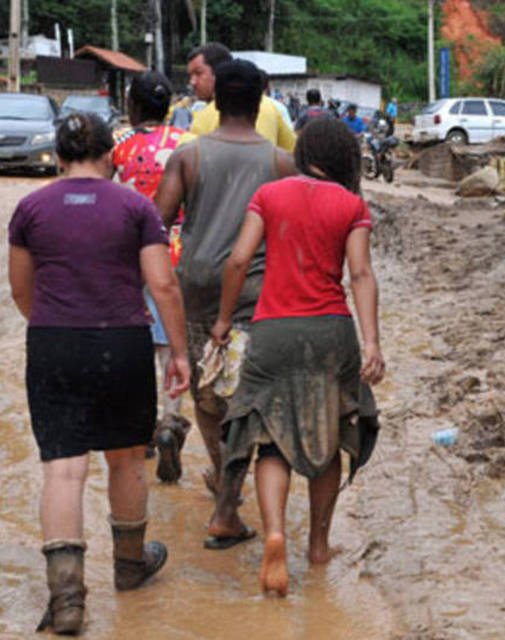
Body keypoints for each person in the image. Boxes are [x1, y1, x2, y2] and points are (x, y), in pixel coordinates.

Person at [8, 113, 190, 634]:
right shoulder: (135, 206)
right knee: (128, 459)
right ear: (111, 156)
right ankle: (130, 567)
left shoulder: (30, 208)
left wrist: (55, 330)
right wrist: (178, 352)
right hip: (123, 343)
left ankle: (67, 601)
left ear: (59, 157)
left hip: (54, 342)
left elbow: (22, 289)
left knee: (63, 470)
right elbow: (164, 286)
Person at [211, 116, 385, 596]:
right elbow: (362, 275)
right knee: (328, 435)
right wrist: (371, 342)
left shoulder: (269, 195)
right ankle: (319, 547)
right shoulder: (352, 205)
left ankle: (273, 534)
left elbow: (239, 259)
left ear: (303, 151)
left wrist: (224, 320)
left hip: (272, 330)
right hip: (331, 331)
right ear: (344, 159)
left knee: (270, 438)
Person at [155, 59, 298, 549]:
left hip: (195, 288)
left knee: (207, 395)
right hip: (257, 294)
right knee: (250, 398)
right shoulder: (281, 163)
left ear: (216, 101)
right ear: (261, 101)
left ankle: (224, 484)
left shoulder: (189, 157)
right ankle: (227, 505)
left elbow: (158, 222)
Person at [113, 71, 192, 483]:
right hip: (176, 250)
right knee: (171, 344)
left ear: (133, 105)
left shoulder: (119, 145)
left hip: (129, 254)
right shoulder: (187, 145)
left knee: (137, 342)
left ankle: (140, 428)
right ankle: (170, 422)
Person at [187, 43, 296, 152]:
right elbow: (293, 153)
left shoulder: (202, 120)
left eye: (198, 73)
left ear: (218, 74)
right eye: (190, 75)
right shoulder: (270, 107)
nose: (192, 82)